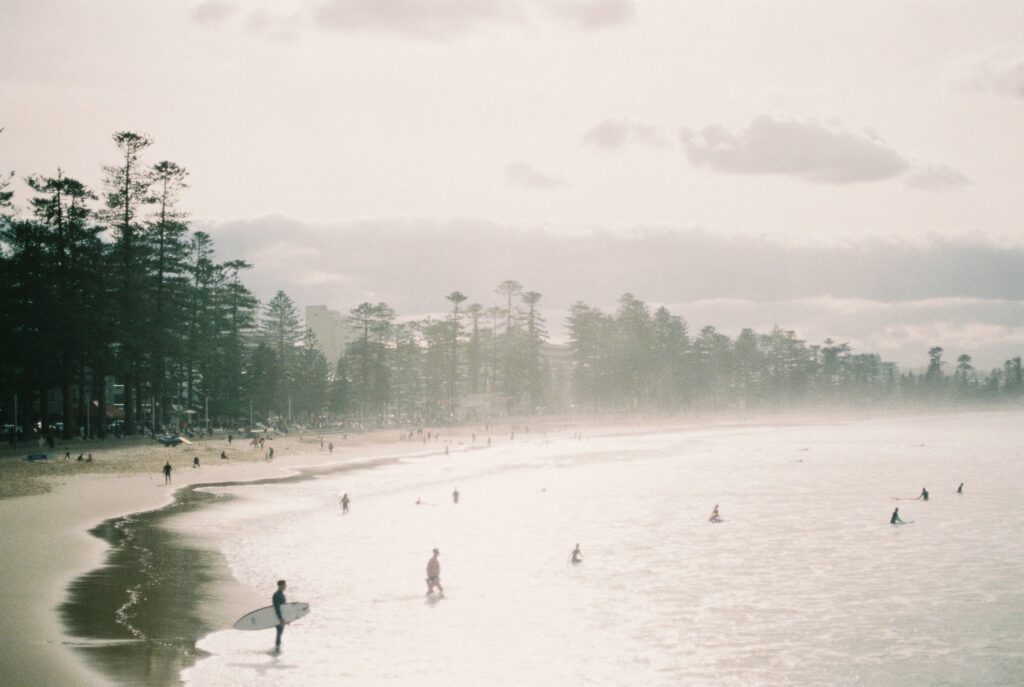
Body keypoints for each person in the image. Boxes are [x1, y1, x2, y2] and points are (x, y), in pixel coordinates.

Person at [273, 579, 288, 650]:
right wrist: (280, 619)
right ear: (280, 585)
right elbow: (277, 608)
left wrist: (288, 618)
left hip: (282, 617)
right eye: (285, 585)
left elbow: (284, 608)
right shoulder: (277, 595)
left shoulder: (281, 594)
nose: (286, 586)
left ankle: (278, 648)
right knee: (279, 633)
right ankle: (277, 649)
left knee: (280, 633)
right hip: (278, 617)